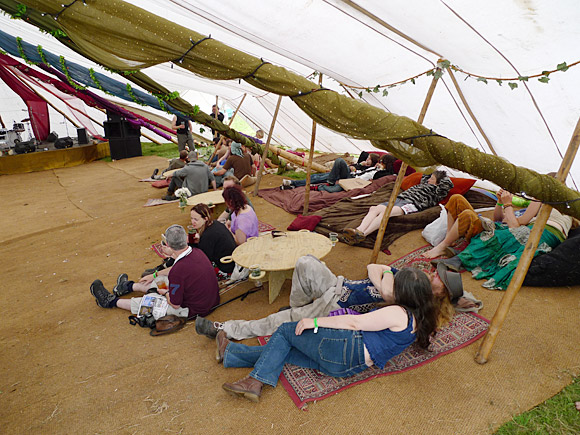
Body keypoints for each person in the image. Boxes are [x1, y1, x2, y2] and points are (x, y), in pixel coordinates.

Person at [214, 267, 437, 402]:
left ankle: (256, 381)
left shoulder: (398, 313)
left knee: (285, 332)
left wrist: (315, 321)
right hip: (346, 366)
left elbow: (354, 322)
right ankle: (231, 353)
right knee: (287, 350)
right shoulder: (421, 319)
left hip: (345, 349)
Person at [195, 255, 459, 341]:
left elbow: (389, 292)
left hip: (337, 306)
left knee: (279, 318)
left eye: (439, 276)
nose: (434, 273)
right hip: (338, 285)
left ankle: (227, 330)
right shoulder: (415, 281)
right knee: (305, 262)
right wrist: (387, 275)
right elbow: (374, 267)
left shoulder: (413, 304)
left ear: (443, 291)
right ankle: (300, 308)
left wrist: (387, 278)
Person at [424, 190, 574, 290]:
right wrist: (500, 202)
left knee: (471, 218)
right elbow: (501, 220)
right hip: (519, 229)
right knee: (457, 199)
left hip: (531, 232)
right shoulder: (564, 210)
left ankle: (455, 252)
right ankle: (451, 243)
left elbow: (514, 227)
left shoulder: (544, 199)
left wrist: (509, 204)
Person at [89, 225, 220, 319]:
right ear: (185, 239)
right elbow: (177, 270)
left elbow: (175, 303)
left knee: (150, 303)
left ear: (168, 244)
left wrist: (167, 293)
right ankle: (129, 286)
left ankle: (110, 301)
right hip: (209, 301)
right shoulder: (197, 252)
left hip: (191, 310)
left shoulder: (178, 270)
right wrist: (154, 275)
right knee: (161, 279)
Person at [342, 170, 453, 245]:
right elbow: (426, 174)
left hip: (411, 204)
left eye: (432, 179)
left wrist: (441, 176)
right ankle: (358, 230)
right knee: (373, 209)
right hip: (399, 199)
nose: (429, 179)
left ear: (438, 182)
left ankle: (363, 235)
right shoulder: (424, 183)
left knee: (386, 213)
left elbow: (448, 184)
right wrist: (432, 173)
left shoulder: (438, 191)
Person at [282, 155, 380, 192]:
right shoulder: (361, 164)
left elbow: (362, 176)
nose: (366, 160)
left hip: (350, 177)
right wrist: (357, 165)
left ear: (374, 162)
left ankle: (292, 183)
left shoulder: (372, 169)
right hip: (347, 172)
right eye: (367, 158)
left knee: (340, 160)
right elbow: (352, 166)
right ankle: (293, 184)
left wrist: (356, 169)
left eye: (369, 159)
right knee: (317, 176)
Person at [189, 203, 237, 278]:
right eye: (191, 218)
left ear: (205, 219)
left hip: (226, 268)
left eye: (196, 219)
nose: (192, 222)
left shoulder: (207, 235)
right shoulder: (215, 223)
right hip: (233, 261)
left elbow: (203, 259)